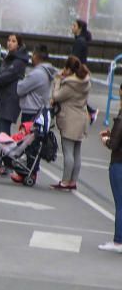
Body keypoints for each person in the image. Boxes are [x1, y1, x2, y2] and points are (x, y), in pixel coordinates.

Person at [51, 55, 91, 190]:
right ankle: (73, 181)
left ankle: (65, 181)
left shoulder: (70, 85)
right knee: (77, 152)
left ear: (69, 69)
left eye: (65, 68)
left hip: (70, 119)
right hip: (81, 118)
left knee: (68, 152)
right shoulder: (85, 81)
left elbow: (57, 96)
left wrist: (57, 82)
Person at [0, 33, 29, 135]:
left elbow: (5, 75)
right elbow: (1, 73)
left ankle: (3, 150)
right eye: (9, 40)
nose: (10, 43)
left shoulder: (18, 61)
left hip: (10, 98)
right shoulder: (10, 57)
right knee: (2, 126)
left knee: (3, 129)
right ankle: (2, 149)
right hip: (5, 97)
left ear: (18, 44)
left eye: (13, 41)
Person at [99, 103, 122, 252]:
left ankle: (118, 241)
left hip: (119, 163)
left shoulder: (121, 119)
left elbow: (114, 144)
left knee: (120, 204)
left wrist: (106, 140)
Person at [16, 46, 56, 125]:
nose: (32, 57)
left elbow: (19, 89)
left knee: (27, 136)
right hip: (40, 110)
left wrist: (20, 80)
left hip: (31, 112)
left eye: (33, 54)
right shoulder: (46, 71)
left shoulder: (37, 73)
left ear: (37, 56)